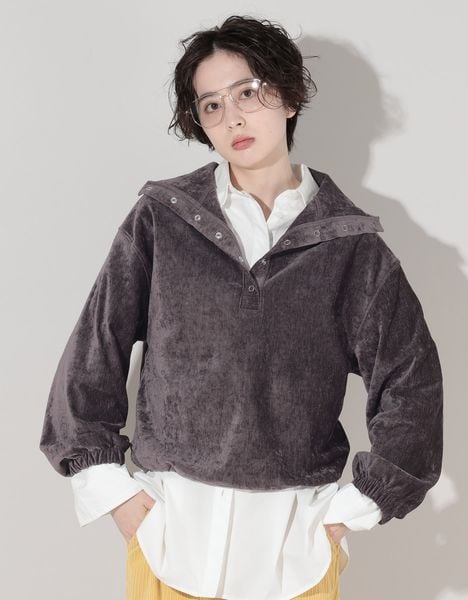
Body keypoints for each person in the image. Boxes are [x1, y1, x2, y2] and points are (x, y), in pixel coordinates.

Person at [39, 14, 443, 600]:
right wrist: (112, 491)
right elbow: (94, 349)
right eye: (211, 105)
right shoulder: (163, 220)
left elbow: (411, 381)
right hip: (170, 538)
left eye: (247, 93)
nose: (232, 117)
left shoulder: (351, 245)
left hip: (294, 551)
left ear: (289, 96)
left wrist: (355, 508)